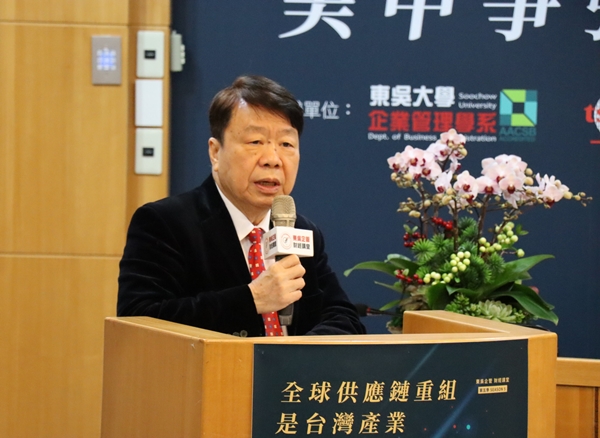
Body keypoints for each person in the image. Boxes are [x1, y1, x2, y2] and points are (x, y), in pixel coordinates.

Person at [117, 75, 365, 337]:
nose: (273, 159)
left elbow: (344, 318)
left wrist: (295, 355)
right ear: (215, 152)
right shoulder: (165, 223)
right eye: (255, 142)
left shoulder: (301, 230)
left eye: (286, 144)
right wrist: (252, 299)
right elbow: (138, 320)